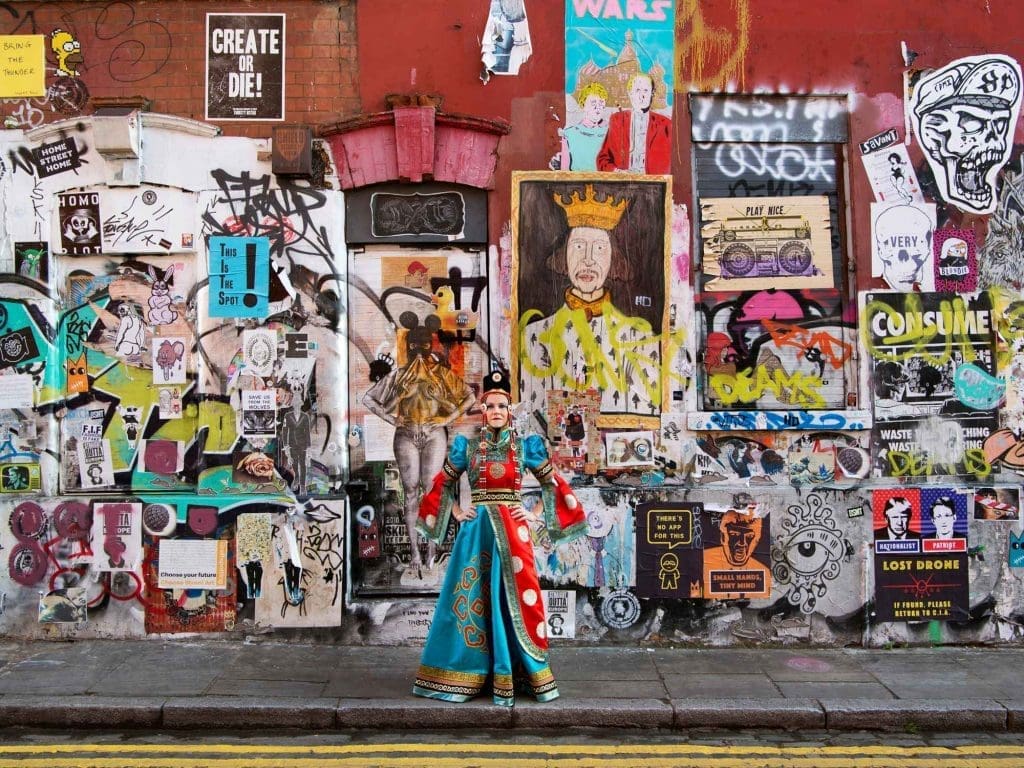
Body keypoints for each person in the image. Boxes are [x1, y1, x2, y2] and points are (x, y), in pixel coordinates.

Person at [412, 370, 587, 706]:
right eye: (489, 406)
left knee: (517, 602)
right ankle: (469, 671)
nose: (495, 411)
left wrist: (534, 514)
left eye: (501, 406)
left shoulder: (524, 448)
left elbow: (553, 483)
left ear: (510, 412)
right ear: (483, 411)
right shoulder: (467, 448)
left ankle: (516, 670)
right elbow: (442, 484)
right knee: (469, 602)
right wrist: (457, 513)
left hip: (513, 533)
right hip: (476, 534)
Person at [518, 184, 662, 418]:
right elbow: (530, 412)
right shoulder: (535, 336)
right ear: (564, 256)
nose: (587, 260)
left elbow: (645, 411)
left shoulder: (639, 340)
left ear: (613, 257)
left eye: (599, 248)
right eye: (579, 247)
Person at [363, 312, 475, 574]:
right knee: (411, 491)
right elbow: (369, 399)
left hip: (434, 432)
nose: (420, 348)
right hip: (407, 433)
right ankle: (415, 552)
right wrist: (392, 419)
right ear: (408, 345)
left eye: (425, 343)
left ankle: (432, 550)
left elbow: (468, 398)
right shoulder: (401, 374)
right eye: (414, 344)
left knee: (431, 489)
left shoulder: (441, 374)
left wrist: (447, 417)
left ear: (431, 344)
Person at [596, 72, 671, 174]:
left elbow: (674, 163)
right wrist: (617, 172)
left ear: (652, 94)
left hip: (653, 185)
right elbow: (603, 159)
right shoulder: (617, 120)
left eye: (646, 90)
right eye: (637, 90)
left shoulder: (665, 124)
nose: (642, 96)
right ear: (630, 94)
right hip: (623, 184)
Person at [701, 508, 770, 598]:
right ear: (722, 537)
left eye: (749, 536)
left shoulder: (764, 572)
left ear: (756, 541)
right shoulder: (701, 562)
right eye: (734, 534)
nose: (742, 543)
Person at [554, 83, 609, 171]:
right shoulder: (569, 134)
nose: (597, 107)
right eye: (593, 103)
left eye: (601, 102)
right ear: (583, 106)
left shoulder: (610, 133)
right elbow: (565, 171)